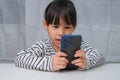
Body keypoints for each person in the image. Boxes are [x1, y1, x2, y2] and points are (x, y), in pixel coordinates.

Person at [15, 0, 104, 71]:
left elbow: (100, 56)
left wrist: (87, 62)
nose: (61, 33)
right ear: (46, 25)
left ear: (74, 27)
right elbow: (19, 58)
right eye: (55, 26)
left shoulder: (79, 47)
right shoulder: (42, 46)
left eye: (67, 27)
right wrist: (50, 63)